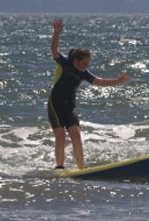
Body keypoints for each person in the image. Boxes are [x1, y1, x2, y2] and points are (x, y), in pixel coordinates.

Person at [48, 19, 130, 170]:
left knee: (76, 136)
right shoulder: (65, 64)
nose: (86, 66)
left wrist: (118, 81)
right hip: (55, 105)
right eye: (84, 63)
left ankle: (81, 170)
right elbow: (54, 50)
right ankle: (59, 168)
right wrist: (56, 33)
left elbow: (100, 82)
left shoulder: (83, 74)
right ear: (76, 60)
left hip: (69, 108)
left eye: (88, 64)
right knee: (60, 137)